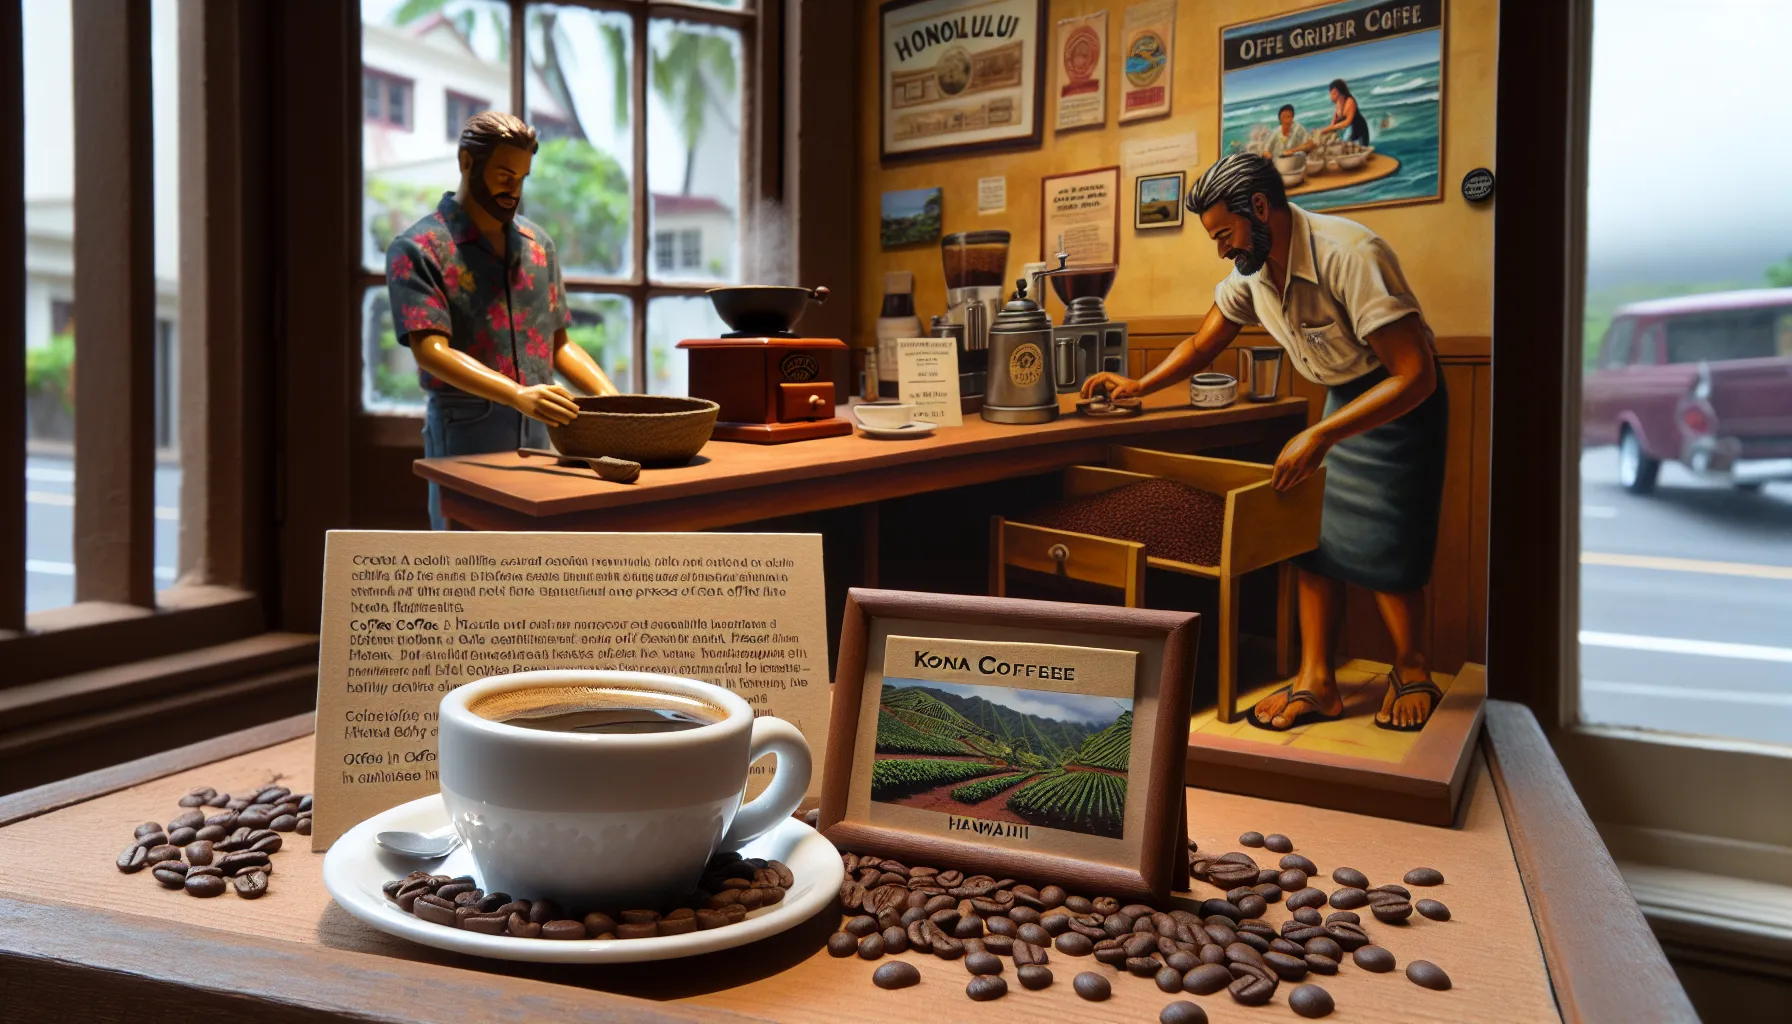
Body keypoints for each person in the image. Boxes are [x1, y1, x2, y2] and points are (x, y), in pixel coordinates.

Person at [1080, 154, 1448, 732]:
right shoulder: (1251, 272)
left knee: (1390, 542)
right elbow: (1203, 345)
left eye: (1224, 233)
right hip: (1339, 400)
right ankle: (1317, 682)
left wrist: (1322, 435)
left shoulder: (1350, 254)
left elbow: (1415, 375)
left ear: (1258, 208)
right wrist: (1138, 386)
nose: (1222, 250)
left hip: (1398, 401)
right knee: (1311, 539)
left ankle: (1413, 669)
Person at [386, 112, 619, 530]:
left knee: (533, 559)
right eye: (504, 176)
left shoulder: (537, 245)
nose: (514, 190)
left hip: (541, 426)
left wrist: (613, 401)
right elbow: (431, 350)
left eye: (522, 178)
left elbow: (559, 345)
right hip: (465, 429)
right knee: (465, 559)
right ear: (466, 163)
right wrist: (515, 393)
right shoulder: (419, 248)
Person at [1316, 78, 1370, 146]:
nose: (1331, 97)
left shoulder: (1350, 101)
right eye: (1331, 93)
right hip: (1350, 130)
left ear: (1338, 92)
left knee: (1361, 149)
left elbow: (1347, 122)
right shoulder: (1338, 103)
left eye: (1333, 93)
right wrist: (1325, 130)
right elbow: (1334, 122)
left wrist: (1327, 129)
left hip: (1360, 129)